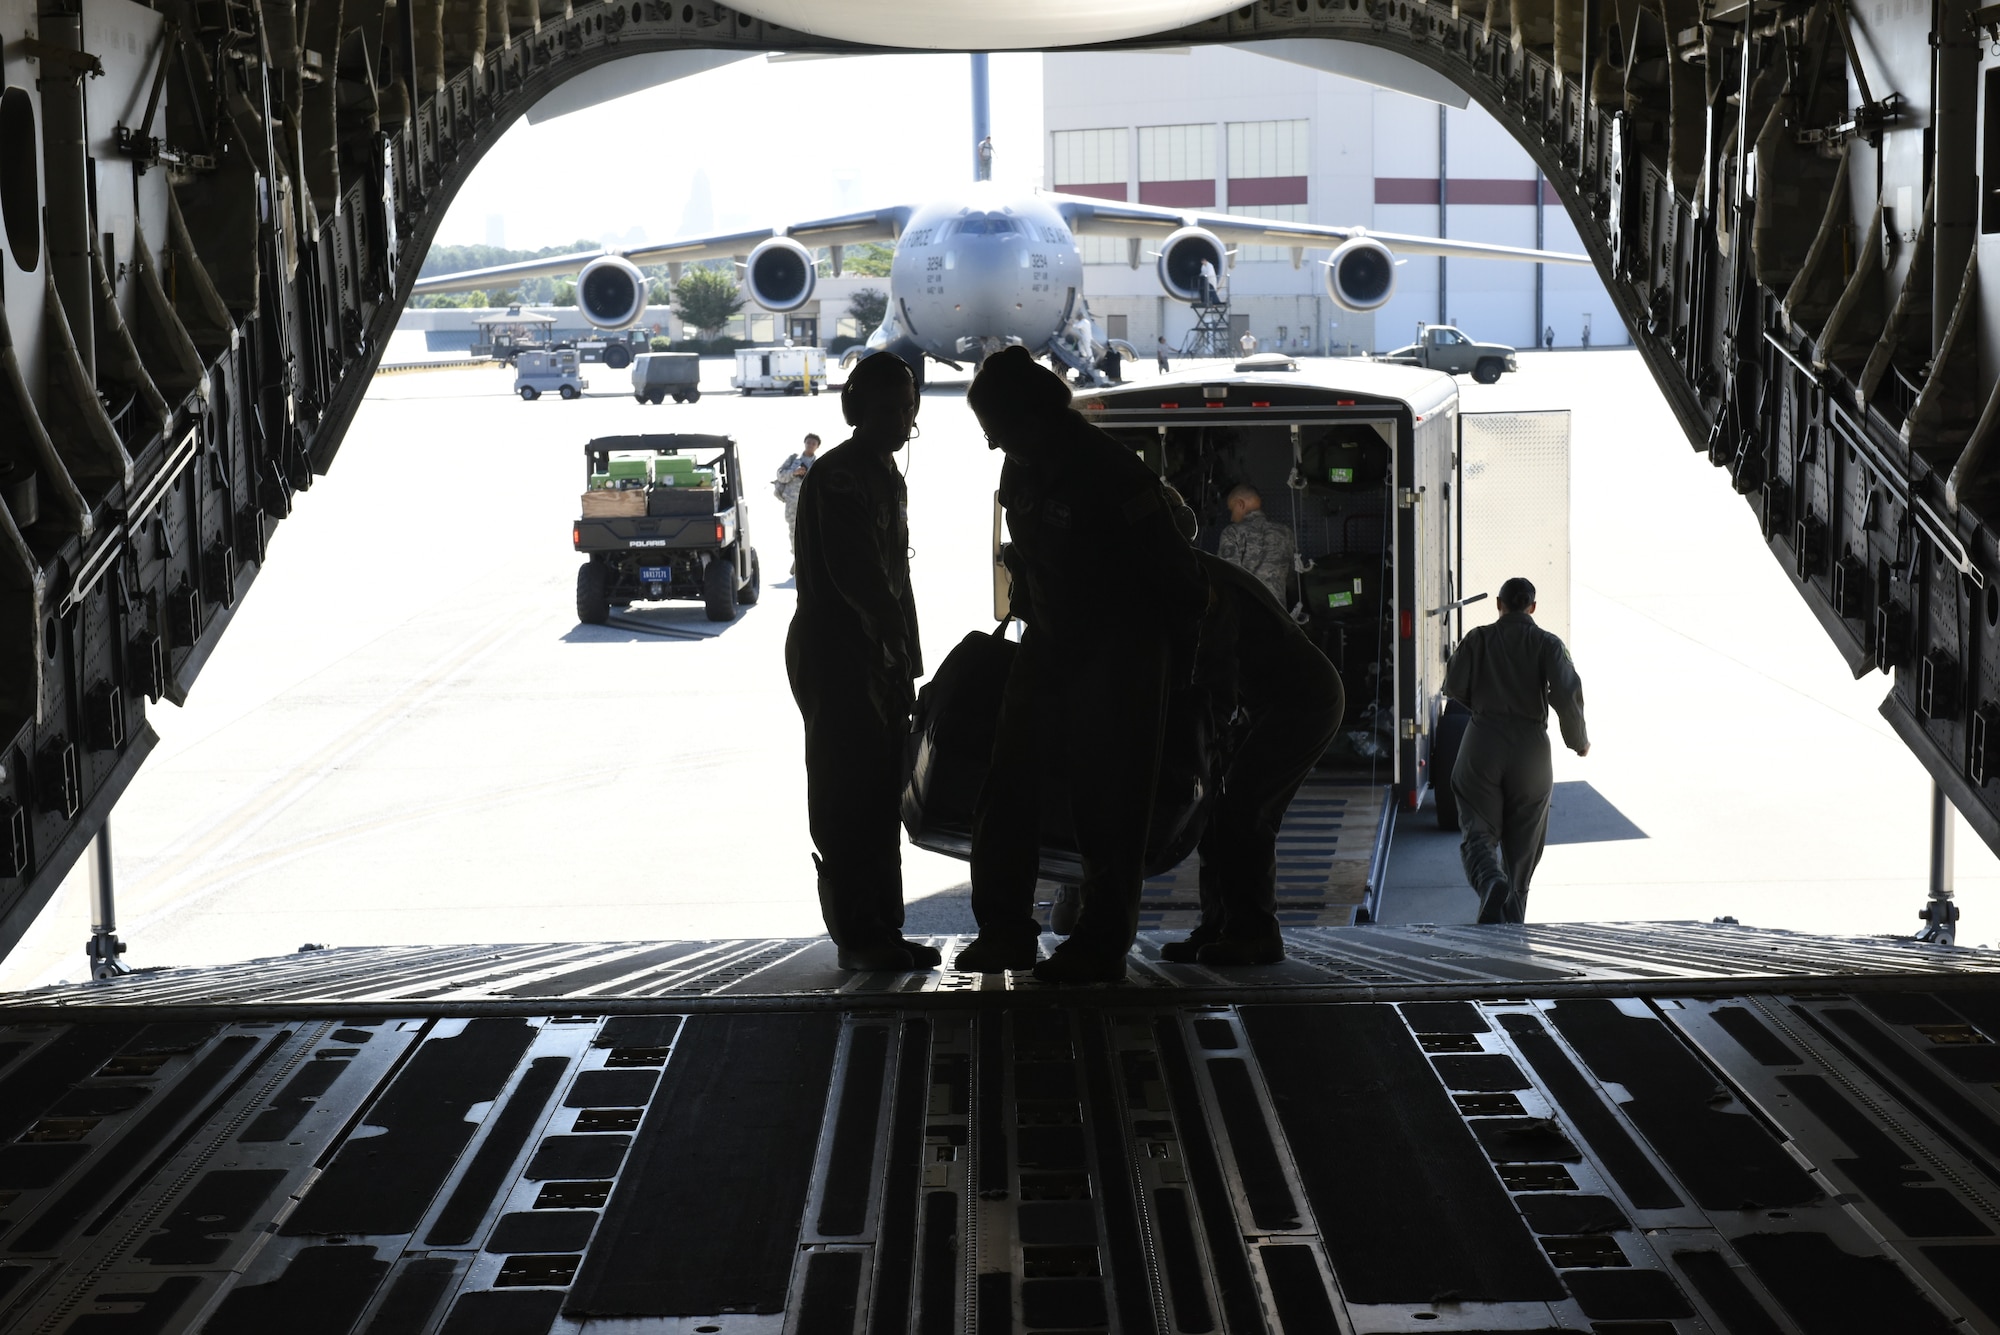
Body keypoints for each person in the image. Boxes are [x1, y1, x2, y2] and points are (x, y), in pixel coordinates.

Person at [957, 346, 1208, 983]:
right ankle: (1005, 931)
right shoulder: (1024, 466)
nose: (992, 446)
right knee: (1006, 788)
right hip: (1048, 647)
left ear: (1030, 416)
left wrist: (1176, 677)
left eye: (997, 430)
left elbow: (1180, 579)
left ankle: (1101, 942)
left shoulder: (1113, 475)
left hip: (1118, 659)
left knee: (1110, 802)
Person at [785, 355, 938, 971]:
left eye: (909, 407)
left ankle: (882, 928)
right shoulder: (843, 476)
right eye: (891, 408)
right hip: (840, 651)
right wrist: (897, 651)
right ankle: (859, 934)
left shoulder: (879, 472)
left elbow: (894, 580)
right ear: (856, 410)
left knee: (880, 791)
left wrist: (905, 656)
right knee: (848, 794)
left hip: (875, 651)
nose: (904, 420)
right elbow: (862, 580)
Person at [1161, 552, 1343, 965]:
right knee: (1214, 812)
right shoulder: (1183, 572)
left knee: (1244, 810)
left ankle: (1256, 933)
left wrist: (1207, 739)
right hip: (1268, 702)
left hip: (1305, 701)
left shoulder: (1202, 579)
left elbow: (1216, 673)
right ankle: (1219, 926)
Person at [1442, 577, 1589, 925]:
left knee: (1478, 832)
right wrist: (1577, 740)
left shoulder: (1477, 638)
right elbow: (1567, 694)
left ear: (1499, 603)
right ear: (1532, 607)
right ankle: (1513, 914)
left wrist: (1484, 707)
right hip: (1531, 749)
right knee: (1523, 849)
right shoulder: (1548, 644)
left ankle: (1490, 882)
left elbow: (1453, 686)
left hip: (1482, 741)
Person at [1217, 485, 1294, 608]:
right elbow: (1291, 579)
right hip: (1278, 616)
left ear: (1240, 504)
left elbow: (1228, 577)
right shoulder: (1285, 533)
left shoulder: (1232, 533)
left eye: (1232, 510)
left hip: (1245, 614)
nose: (1232, 518)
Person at [772, 433, 821, 574]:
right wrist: (794, 472)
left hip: (810, 503)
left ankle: (806, 560)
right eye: (809, 442)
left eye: (813, 443)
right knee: (794, 532)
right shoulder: (794, 459)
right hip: (793, 503)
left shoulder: (818, 464)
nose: (810, 445)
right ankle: (798, 558)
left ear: (817, 447)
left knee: (811, 532)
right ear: (805, 443)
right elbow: (780, 475)